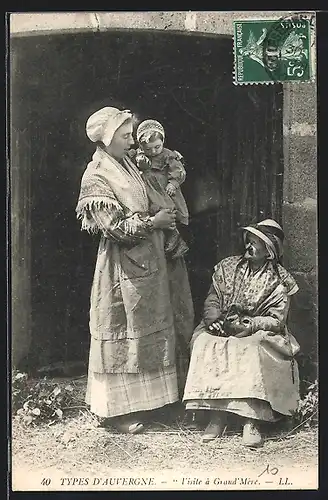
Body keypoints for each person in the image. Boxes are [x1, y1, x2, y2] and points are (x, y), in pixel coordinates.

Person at [75, 106, 194, 434]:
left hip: (151, 256)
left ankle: (155, 402)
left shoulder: (128, 162)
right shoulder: (97, 174)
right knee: (124, 327)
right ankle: (117, 411)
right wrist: (152, 222)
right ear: (108, 138)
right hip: (123, 263)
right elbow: (111, 227)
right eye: (127, 136)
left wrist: (165, 219)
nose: (133, 141)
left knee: (151, 324)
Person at [183, 219, 300, 447]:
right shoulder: (228, 267)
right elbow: (213, 297)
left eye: (256, 243)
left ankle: (251, 420)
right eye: (249, 240)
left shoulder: (279, 280)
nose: (249, 246)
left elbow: (276, 320)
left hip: (260, 332)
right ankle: (217, 417)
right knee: (205, 342)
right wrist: (213, 318)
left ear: (269, 251)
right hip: (225, 326)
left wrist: (253, 324)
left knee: (251, 349)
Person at [127, 119, 189, 260]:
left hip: (163, 190)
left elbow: (178, 170)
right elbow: (127, 159)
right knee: (153, 213)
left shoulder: (168, 155)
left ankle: (175, 239)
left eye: (157, 147)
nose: (153, 152)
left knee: (167, 211)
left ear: (163, 141)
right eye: (148, 149)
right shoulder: (138, 154)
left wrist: (173, 183)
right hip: (148, 190)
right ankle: (169, 240)